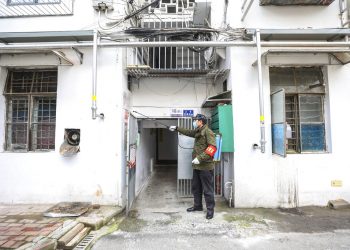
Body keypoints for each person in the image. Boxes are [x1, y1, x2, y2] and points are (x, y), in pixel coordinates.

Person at [169, 114, 217, 219]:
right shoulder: (198, 131)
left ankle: (210, 210)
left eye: (196, 120)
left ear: (201, 121)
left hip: (205, 167)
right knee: (196, 188)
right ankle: (198, 206)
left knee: (207, 190)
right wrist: (177, 128)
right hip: (197, 167)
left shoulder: (207, 132)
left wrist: (199, 158)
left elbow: (212, 148)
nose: (194, 122)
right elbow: (189, 132)